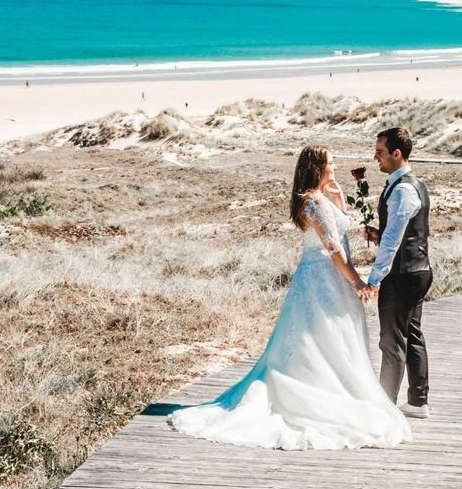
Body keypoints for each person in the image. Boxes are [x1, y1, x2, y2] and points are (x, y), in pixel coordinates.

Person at [169, 145, 411, 449]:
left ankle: (337, 390)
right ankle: (316, 397)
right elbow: (334, 250)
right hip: (323, 278)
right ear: (317, 168)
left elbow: (343, 227)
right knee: (320, 339)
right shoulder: (313, 203)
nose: (335, 167)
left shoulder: (321, 199)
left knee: (332, 340)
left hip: (326, 277)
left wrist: (338, 199)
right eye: (331, 164)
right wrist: (357, 282)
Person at [361, 128, 433, 419]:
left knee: (391, 341)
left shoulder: (403, 189)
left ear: (396, 154)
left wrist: (374, 278)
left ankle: (384, 405)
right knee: (413, 335)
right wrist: (378, 233)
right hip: (419, 270)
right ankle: (418, 401)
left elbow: (393, 241)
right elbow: (404, 233)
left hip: (402, 275)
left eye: (379, 152)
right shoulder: (414, 184)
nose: (375, 157)